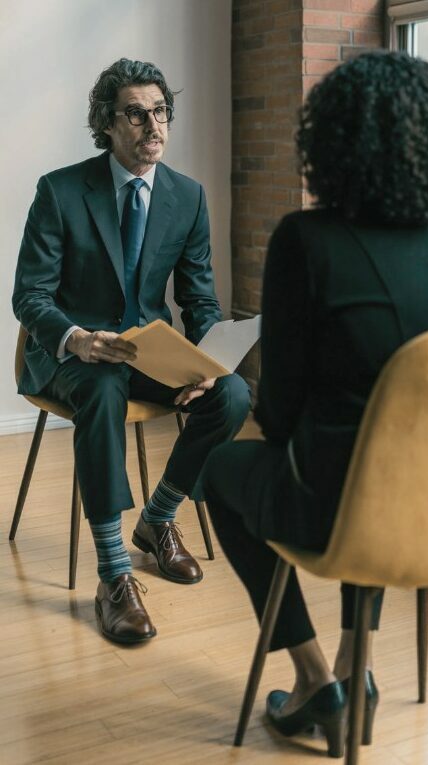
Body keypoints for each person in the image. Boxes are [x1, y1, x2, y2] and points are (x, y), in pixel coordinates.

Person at [202, 51, 428, 756]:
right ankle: (355, 662)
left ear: (331, 143)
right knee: (380, 464)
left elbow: (277, 415)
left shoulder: (307, 242)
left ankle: (316, 676)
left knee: (225, 468)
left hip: (346, 508)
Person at [13, 58, 250, 645]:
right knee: (101, 386)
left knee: (234, 394)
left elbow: (199, 301)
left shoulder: (187, 197)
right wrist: (77, 339)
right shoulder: (61, 190)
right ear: (108, 124)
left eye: (161, 111)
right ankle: (114, 571)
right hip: (73, 357)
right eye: (137, 114)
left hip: (150, 353)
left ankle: (159, 518)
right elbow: (30, 295)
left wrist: (205, 361)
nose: (154, 126)